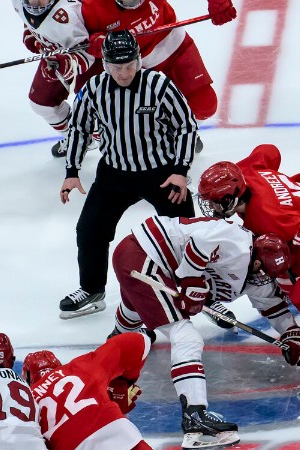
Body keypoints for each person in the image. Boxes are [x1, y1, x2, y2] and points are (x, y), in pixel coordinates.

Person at [196, 143, 300, 409]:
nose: (210, 205)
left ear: (232, 197)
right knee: (283, 278)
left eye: (214, 200)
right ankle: (297, 324)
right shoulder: (245, 172)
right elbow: (268, 151)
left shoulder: (271, 219)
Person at [57, 30, 199, 320]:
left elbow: (187, 126)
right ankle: (92, 289)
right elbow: (79, 129)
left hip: (161, 174)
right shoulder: (95, 88)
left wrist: (181, 171)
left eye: (130, 66)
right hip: (114, 175)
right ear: (106, 64)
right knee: (90, 229)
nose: (124, 73)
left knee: (188, 232)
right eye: (117, 67)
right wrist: (71, 170)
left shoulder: (159, 85)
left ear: (139, 59)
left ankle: (198, 286)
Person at [107, 214, 259, 449]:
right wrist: (191, 281)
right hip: (144, 256)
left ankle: (111, 357)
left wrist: (196, 289)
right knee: (185, 335)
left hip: (136, 252)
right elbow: (198, 246)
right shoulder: (238, 244)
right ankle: (195, 416)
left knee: (134, 308)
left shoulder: (241, 246)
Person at [81, 0, 237, 121]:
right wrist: (95, 42)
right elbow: (80, 40)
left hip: (174, 46)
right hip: (134, 66)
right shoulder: (91, 7)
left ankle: (185, 129)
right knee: (136, 117)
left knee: (205, 105)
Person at [19, 331, 153, 450]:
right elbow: (139, 341)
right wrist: (121, 385)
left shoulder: (26, 401)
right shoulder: (79, 367)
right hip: (122, 437)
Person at [11, 0, 104, 158]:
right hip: (53, 55)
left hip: (91, 62)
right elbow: (28, 17)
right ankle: (78, 138)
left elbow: (87, 53)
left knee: (100, 120)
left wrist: (66, 66)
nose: (37, 3)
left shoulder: (67, 14)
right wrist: (30, 31)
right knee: (41, 104)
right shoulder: (17, 2)